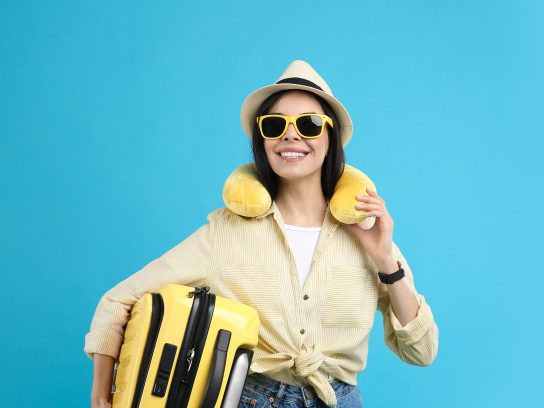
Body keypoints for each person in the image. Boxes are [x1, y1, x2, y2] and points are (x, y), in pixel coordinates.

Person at [85, 60, 439, 408]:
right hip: (253, 398)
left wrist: (385, 260)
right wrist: (102, 394)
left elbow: (421, 352)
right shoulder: (226, 233)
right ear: (262, 139)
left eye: (310, 124)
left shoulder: (369, 235)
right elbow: (117, 302)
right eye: (274, 125)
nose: (291, 134)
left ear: (331, 137)